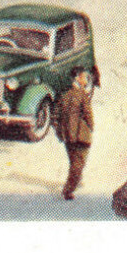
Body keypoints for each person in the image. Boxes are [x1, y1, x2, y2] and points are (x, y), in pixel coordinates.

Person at [55, 67, 94, 200]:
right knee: (79, 162)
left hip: (67, 135)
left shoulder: (64, 95)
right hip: (81, 135)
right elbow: (88, 115)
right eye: (84, 77)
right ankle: (69, 189)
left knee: (74, 160)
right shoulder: (82, 94)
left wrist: (60, 131)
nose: (86, 79)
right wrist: (91, 127)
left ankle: (76, 180)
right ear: (77, 78)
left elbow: (56, 116)